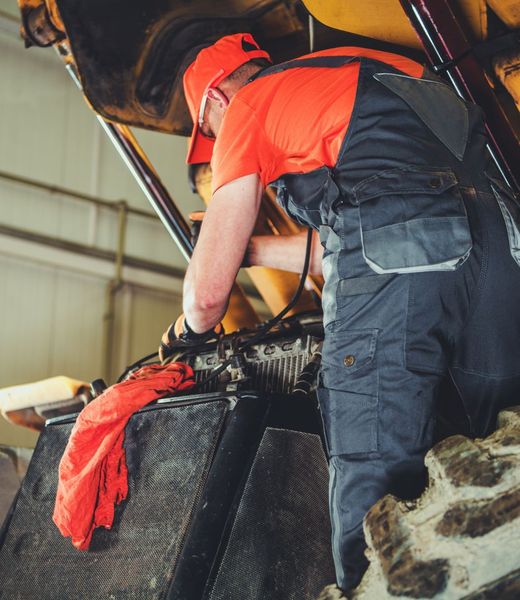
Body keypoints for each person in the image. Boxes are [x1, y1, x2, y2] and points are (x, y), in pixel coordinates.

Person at [159, 32, 520, 590]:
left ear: (215, 102)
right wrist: (246, 252)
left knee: (372, 474)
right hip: (499, 243)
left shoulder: (247, 109)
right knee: (498, 451)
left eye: (208, 129)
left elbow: (206, 298)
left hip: (400, 253)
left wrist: (186, 333)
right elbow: (374, 220)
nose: (216, 137)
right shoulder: (385, 68)